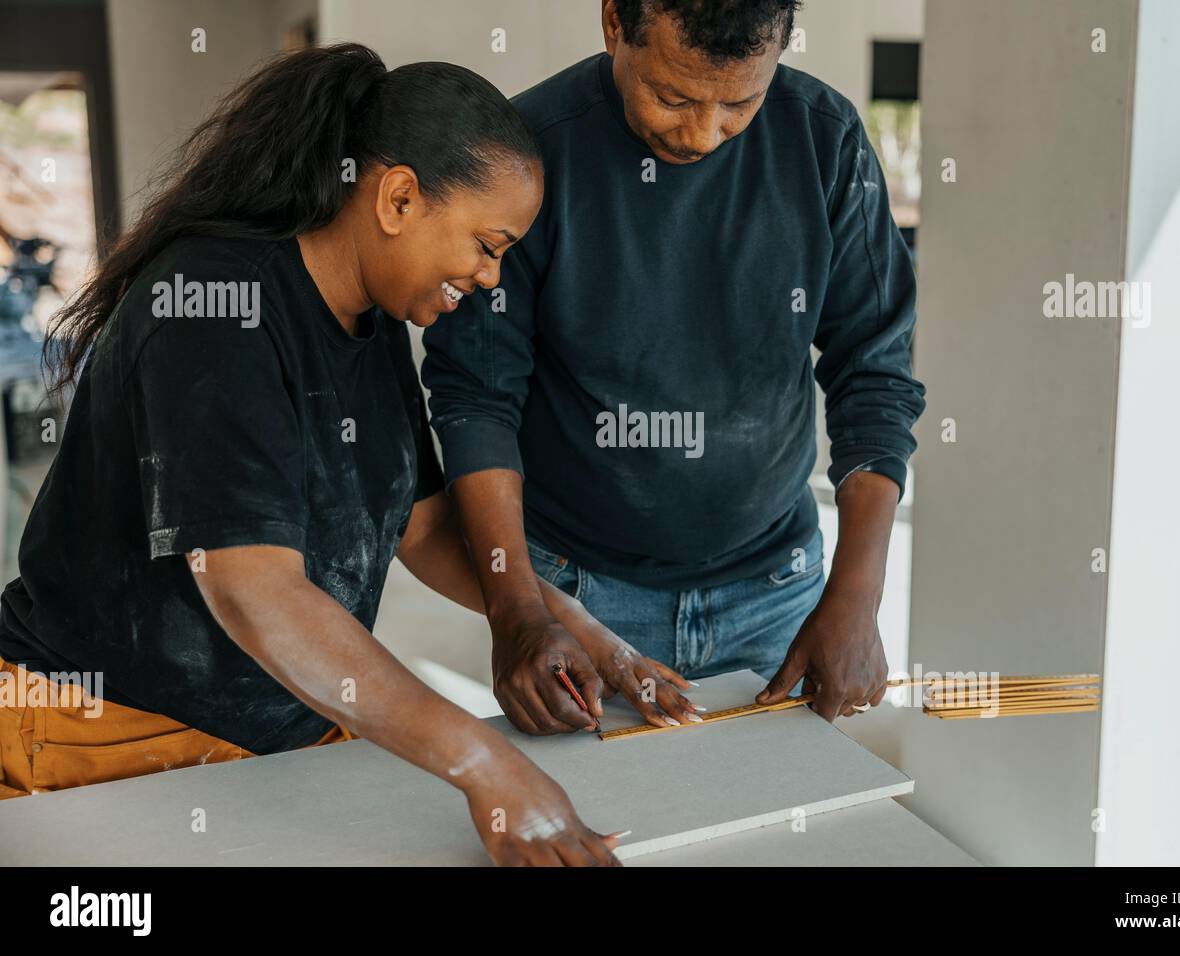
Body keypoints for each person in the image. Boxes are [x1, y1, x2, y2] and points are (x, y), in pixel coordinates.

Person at [0, 42, 695, 867]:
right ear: (398, 197)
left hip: (276, 726)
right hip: (101, 731)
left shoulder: (371, 322)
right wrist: (485, 764)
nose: (489, 276)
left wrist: (563, 625)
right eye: (486, 243)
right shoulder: (214, 307)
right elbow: (254, 591)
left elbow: (424, 529)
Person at [422, 0, 927, 731]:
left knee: (770, 833)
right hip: (579, 590)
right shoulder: (529, 152)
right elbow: (475, 396)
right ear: (613, 23)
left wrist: (857, 592)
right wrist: (517, 607)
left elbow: (874, 372)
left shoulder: (826, 142)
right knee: (604, 830)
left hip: (779, 586)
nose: (703, 133)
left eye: (741, 102)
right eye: (672, 96)